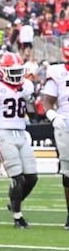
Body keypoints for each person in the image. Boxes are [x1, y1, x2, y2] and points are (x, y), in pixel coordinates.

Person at [0, 51, 37, 228]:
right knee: (17, 178)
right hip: (3, 133)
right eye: (13, 71)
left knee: (32, 177)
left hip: (21, 132)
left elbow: (33, 113)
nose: (17, 75)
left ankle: (13, 203)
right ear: (3, 70)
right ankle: (18, 217)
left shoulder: (26, 85)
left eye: (19, 70)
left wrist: (31, 100)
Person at [39, 37, 69, 229]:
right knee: (68, 173)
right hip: (66, 124)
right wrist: (52, 116)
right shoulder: (58, 72)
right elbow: (47, 100)